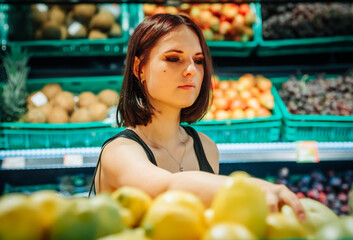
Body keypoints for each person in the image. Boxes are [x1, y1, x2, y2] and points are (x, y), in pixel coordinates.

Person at [90, 13, 305, 221]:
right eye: (173, 58)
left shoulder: (206, 148)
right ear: (139, 69)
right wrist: (256, 189)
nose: (191, 70)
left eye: (199, 60)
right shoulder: (119, 152)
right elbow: (167, 189)